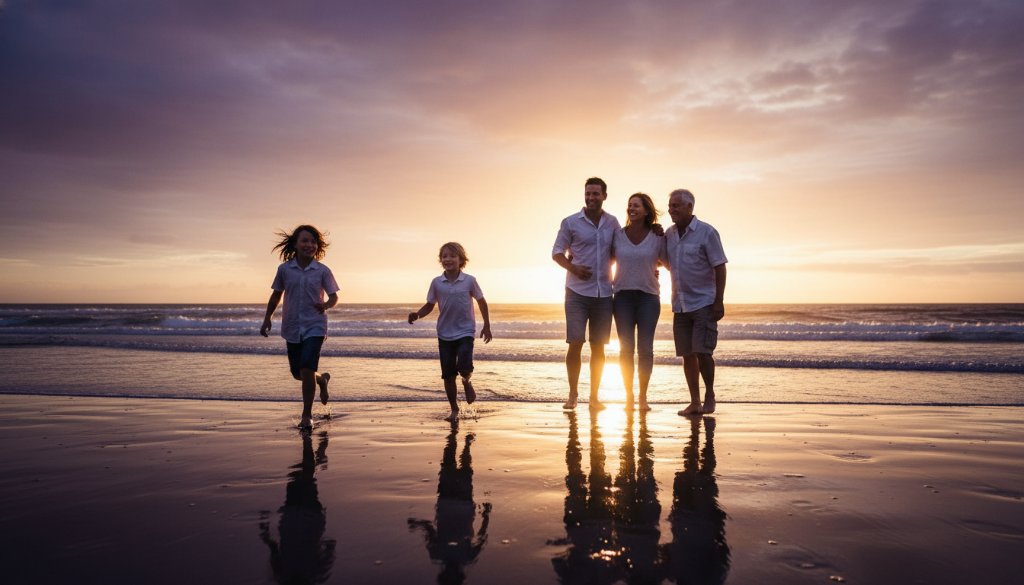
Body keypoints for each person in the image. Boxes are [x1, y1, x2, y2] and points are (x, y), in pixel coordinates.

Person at [260, 225, 339, 430]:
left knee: (306, 367)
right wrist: (267, 317)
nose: (309, 245)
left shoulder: (322, 270)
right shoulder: (284, 270)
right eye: (305, 240)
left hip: (316, 326)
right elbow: (277, 295)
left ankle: (307, 415)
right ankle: (321, 380)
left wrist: (326, 305)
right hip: (292, 326)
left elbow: (334, 296)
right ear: (295, 244)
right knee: (298, 373)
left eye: (313, 241)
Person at [552, 177, 620, 410]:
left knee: (599, 346)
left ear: (604, 196)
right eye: (588, 194)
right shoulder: (571, 222)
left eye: (595, 194)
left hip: (604, 293)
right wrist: (574, 268)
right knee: (576, 342)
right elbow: (557, 253)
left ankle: (594, 397)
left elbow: (622, 249)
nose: (591, 198)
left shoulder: (612, 223)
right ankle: (572, 394)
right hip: (577, 293)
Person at [408, 242, 493, 421]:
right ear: (441, 260)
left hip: (465, 331)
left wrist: (486, 325)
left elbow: (481, 302)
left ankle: (467, 381)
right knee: (448, 375)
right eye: (444, 256)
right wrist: (417, 315)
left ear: (461, 260)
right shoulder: (437, 283)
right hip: (444, 333)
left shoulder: (469, 280)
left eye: (452, 256)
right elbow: (430, 305)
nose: (448, 259)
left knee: (464, 365)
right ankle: (454, 409)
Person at [665, 189, 727, 415]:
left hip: (703, 302)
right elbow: (662, 259)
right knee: (687, 355)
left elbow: (719, 266)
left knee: (703, 352)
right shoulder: (669, 235)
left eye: (676, 206)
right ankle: (695, 401)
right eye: (670, 206)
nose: (671, 210)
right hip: (680, 304)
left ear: (690, 208)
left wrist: (718, 301)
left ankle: (710, 394)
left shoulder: (707, 232)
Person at [612, 193, 667, 412]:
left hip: (648, 298)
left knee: (645, 350)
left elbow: (665, 260)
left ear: (646, 210)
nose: (631, 208)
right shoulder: (617, 235)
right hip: (622, 297)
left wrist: (651, 268)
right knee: (626, 350)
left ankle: (643, 397)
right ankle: (628, 397)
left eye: (636, 205)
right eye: (629, 205)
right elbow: (602, 256)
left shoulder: (657, 236)